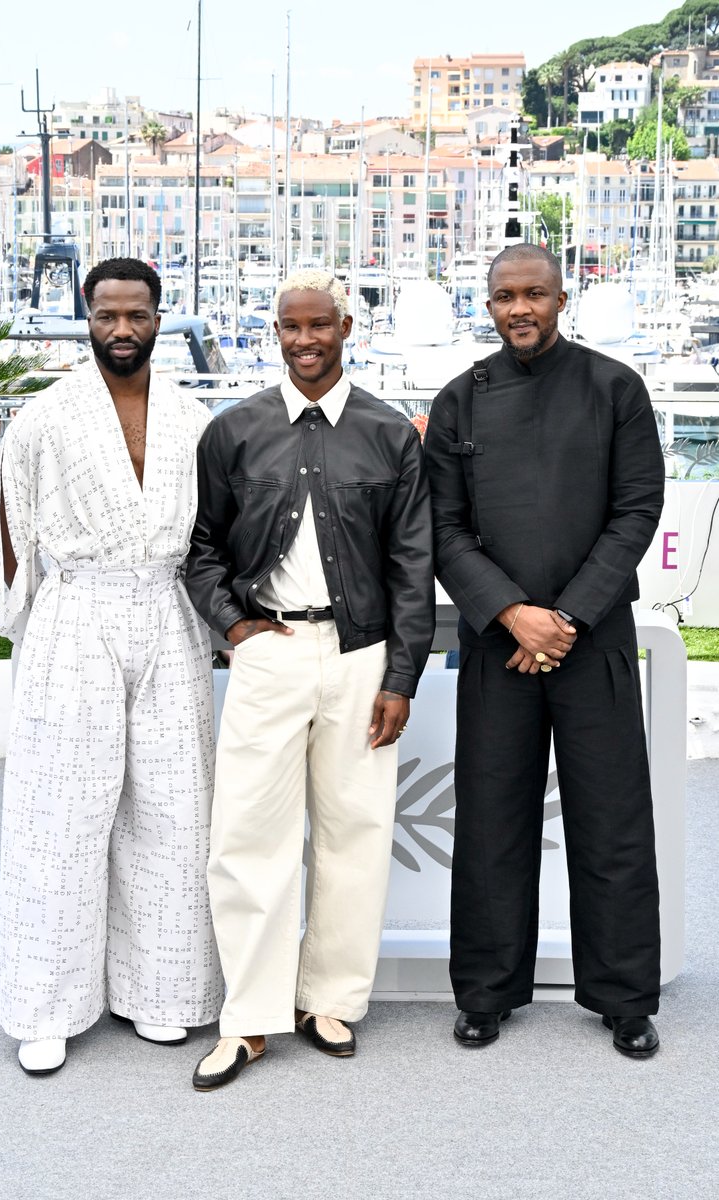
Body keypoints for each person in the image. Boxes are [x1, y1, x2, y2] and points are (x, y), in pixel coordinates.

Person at [185, 268, 435, 1090]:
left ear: (345, 328)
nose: (303, 341)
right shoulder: (235, 432)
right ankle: (249, 1019)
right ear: (275, 332)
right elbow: (202, 550)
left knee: (354, 834)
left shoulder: (389, 433)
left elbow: (410, 566)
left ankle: (328, 1000)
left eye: (318, 325)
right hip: (270, 653)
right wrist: (235, 627)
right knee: (246, 838)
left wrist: (400, 675)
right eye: (289, 327)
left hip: (361, 656)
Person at [424, 244, 665, 1058]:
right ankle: (485, 994)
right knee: (491, 822)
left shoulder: (614, 389)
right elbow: (443, 530)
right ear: (486, 305)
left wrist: (562, 618)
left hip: (591, 639)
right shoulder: (458, 402)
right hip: (498, 645)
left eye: (533, 294)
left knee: (612, 821)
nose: (517, 309)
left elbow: (636, 510)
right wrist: (510, 614)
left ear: (563, 298)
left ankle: (625, 998)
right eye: (502, 296)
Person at [0, 257, 222, 1074]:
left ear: (160, 318)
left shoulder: (196, 420)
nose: (122, 329)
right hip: (77, 610)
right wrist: (34, 623)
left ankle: (161, 990)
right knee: (59, 816)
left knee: (174, 806)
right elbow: (12, 525)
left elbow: (214, 533)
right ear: (85, 316)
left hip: (168, 610)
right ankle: (45, 1006)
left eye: (137, 315)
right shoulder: (43, 418)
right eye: (107, 315)